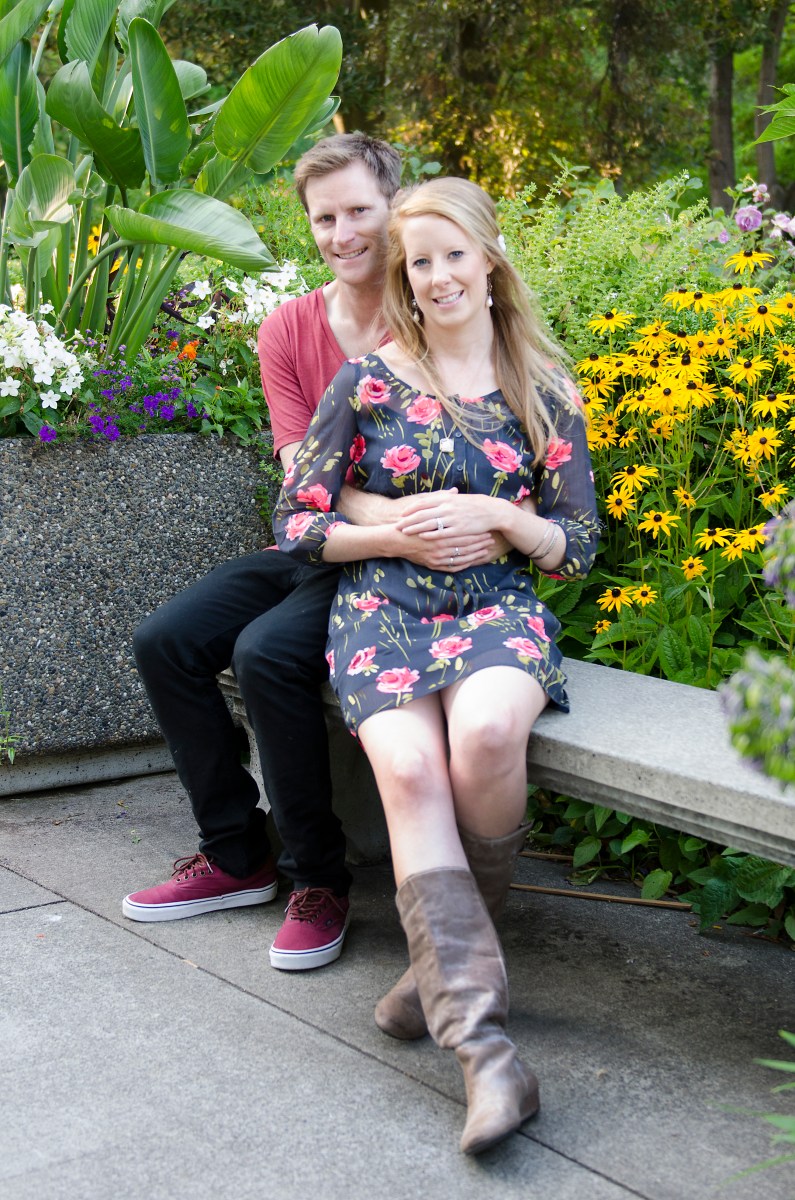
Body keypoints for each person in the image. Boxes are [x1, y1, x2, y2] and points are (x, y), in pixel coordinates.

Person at [123, 135, 509, 972]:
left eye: (359, 212)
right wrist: (391, 514)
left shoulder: (432, 310)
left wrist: (398, 525)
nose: (342, 233)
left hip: (401, 572)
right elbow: (302, 477)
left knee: (267, 654)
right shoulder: (289, 329)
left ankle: (318, 880)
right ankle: (236, 854)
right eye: (323, 217)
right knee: (167, 641)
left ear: (393, 207)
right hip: (315, 541)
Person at [272, 177, 599, 1153]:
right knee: (411, 768)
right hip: (383, 606)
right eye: (421, 262)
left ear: (490, 257)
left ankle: (439, 970)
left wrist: (503, 518)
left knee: (491, 732)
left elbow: (577, 543)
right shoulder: (367, 382)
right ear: (407, 279)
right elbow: (295, 521)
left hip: (498, 605)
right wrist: (396, 542)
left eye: (454, 253)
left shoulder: (545, 389)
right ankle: (487, 1056)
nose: (440, 274)